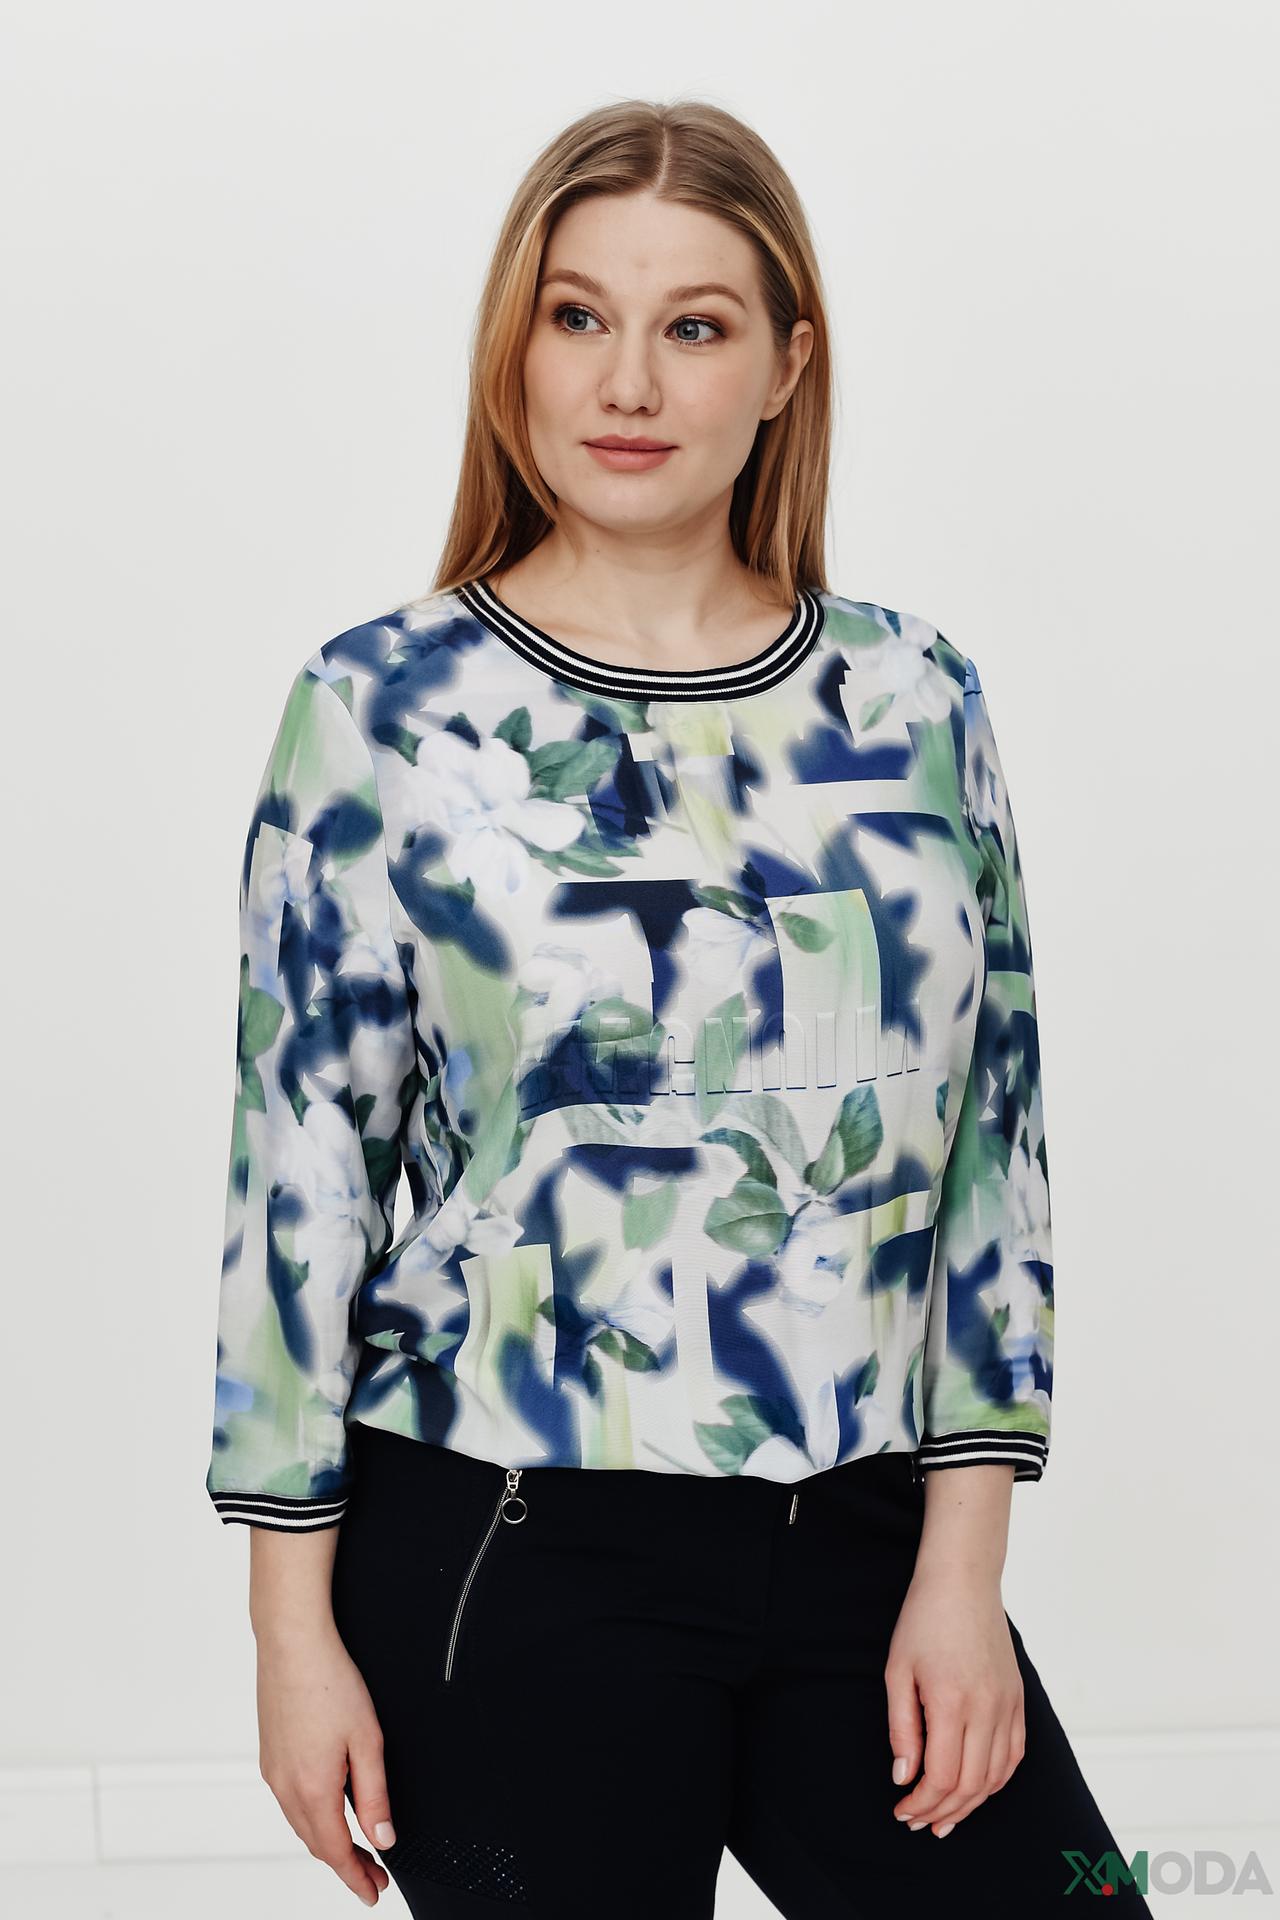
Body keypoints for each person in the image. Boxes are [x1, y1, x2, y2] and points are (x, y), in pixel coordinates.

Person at [205, 97, 1152, 1920]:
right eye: (578, 316)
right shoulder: (382, 710)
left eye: (694, 325)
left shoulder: (915, 698)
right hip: (506, 1541)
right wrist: (289, 1636)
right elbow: (297, 1189)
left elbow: (993, 1156)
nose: (627, 381)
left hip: (868, 1531)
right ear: (517, 347)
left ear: (787, 365)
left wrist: (962, 1571)